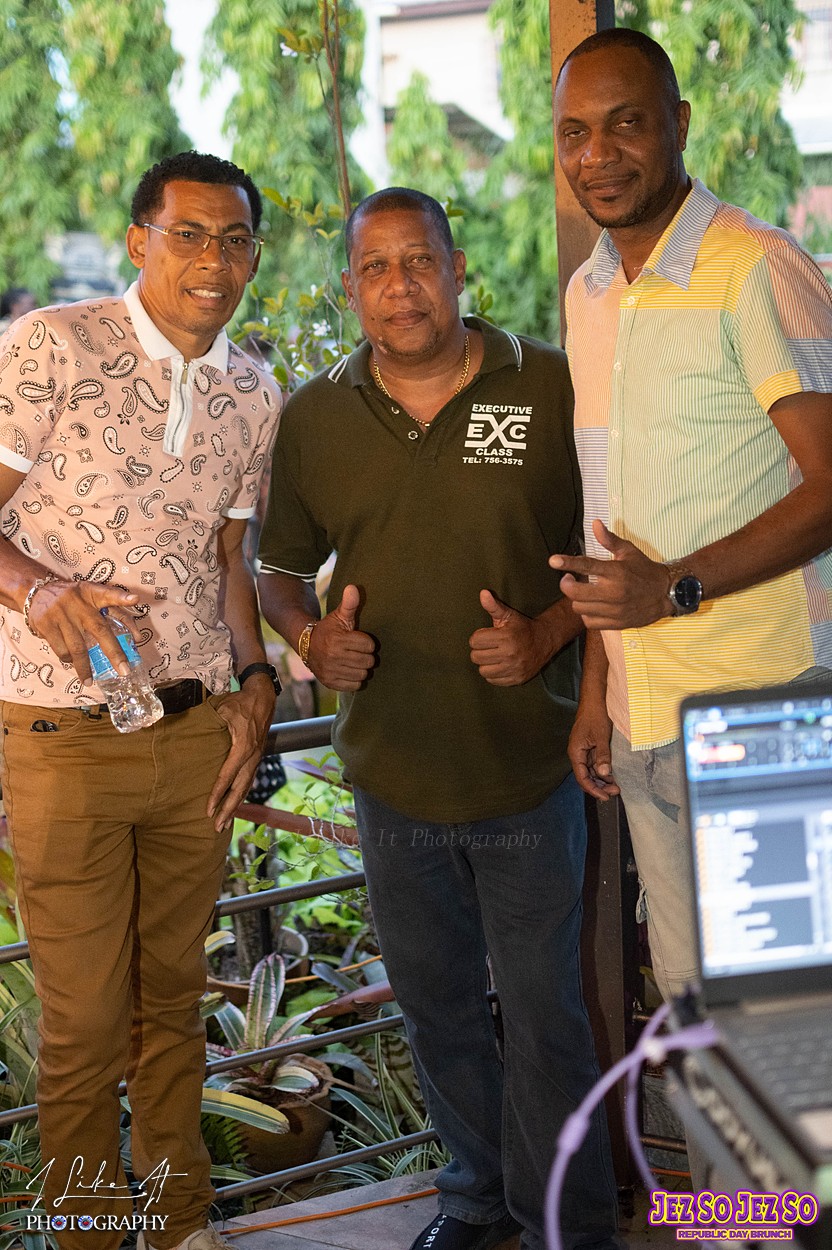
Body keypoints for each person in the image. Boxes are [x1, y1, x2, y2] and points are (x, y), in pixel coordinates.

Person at [257, 188, 619, 1250]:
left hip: (528, 769)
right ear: (349, 289)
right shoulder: (314, 417)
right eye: (376, 268)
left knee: (548, 1017)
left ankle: (568, 1220)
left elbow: (609, 549)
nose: (400, 287)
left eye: (419, 261)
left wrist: (547, 633)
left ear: (459, 269)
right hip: (393, 779)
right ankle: (473, 1195)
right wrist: (309, 638)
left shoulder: (547, 383)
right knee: (437, 1007)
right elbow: (276, 567)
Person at [0, 151, 282, 1250]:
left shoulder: (255, 391)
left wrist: (256, 682)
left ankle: (177, 1223)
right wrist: (40, 590)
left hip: (195, 735)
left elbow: (229, 565)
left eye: (236, 239)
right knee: (82, 1024)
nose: (214, 260)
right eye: (189, 234)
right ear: (139, 241)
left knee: (173, 1004)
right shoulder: (53, 345)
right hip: (61, 737)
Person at [550, 28, 832, 1007]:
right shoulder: (588, 294)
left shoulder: (755, 265)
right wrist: (598, 687)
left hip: (761, 697)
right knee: (695, 1006)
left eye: (625, 124)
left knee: (787, 1013)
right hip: (642, 712)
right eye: (575, 132)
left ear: (676, 122)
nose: (598, 154)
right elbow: (611, 517)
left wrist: (672, 588)